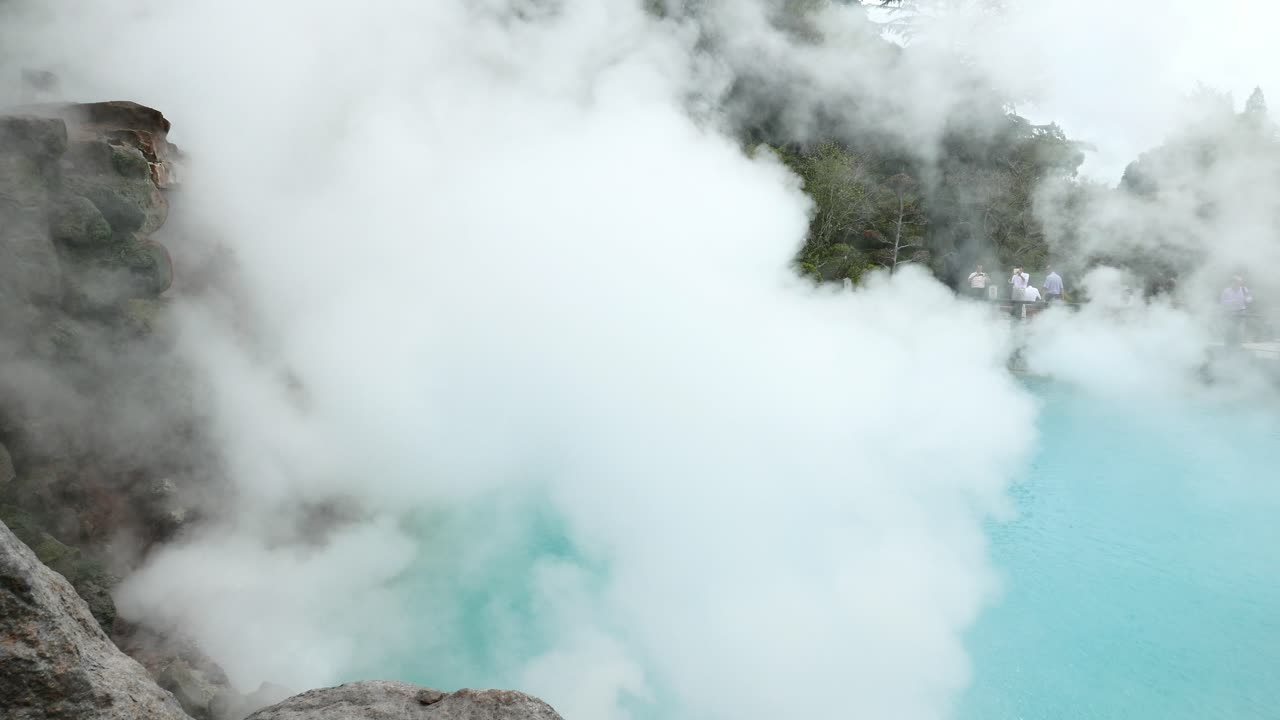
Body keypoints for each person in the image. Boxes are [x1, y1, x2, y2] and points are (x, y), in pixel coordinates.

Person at [1220, 275, 1253, 347]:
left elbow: (1250, 298)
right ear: (1232, 282)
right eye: (1236, 282)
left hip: (1241, 311)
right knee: (1229, 328)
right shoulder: (1226, 291)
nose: (1238, 284)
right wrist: (1232, 302)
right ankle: (1228, 344)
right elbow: (1222, 302)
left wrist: (1246, 300)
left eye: (1240, 282)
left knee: (1240, 329)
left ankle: (1239, 345)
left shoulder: (1244, 289)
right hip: (1230, 312)